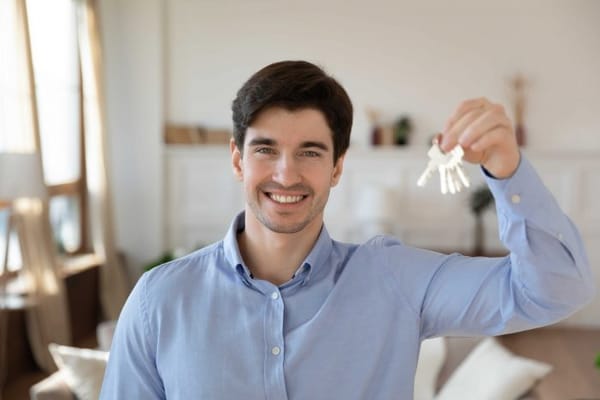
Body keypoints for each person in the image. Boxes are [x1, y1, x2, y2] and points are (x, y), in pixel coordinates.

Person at [100, 60, 595, 399]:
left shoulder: (394, 280)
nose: (286, 174)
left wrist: (508, 170)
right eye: (266, 149)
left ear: (337, 167)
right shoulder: (159, 300)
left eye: (310, 152)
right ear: (238, 158)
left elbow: (556, 290)